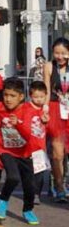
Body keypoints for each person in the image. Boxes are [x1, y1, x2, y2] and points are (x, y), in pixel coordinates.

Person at [0, 80, 39, 224]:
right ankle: (2, 201)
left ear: (21, 97)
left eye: (12, 96)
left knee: (30, 186)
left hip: (25, 152)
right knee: (13, 177)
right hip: (5, 149)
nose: (8, 99)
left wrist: (18, 124)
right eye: (6, 95)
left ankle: (28, 210)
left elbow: (28, 135)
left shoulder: (28, 110)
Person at [42, 36, 69, 201]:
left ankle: (62, 180)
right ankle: (58, 186)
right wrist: (44, 109)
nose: (60, 56)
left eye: (64, 53)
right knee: (57, 152)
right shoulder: (49, 66)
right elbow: (45, 89)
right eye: (57, 53)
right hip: (55, 109)